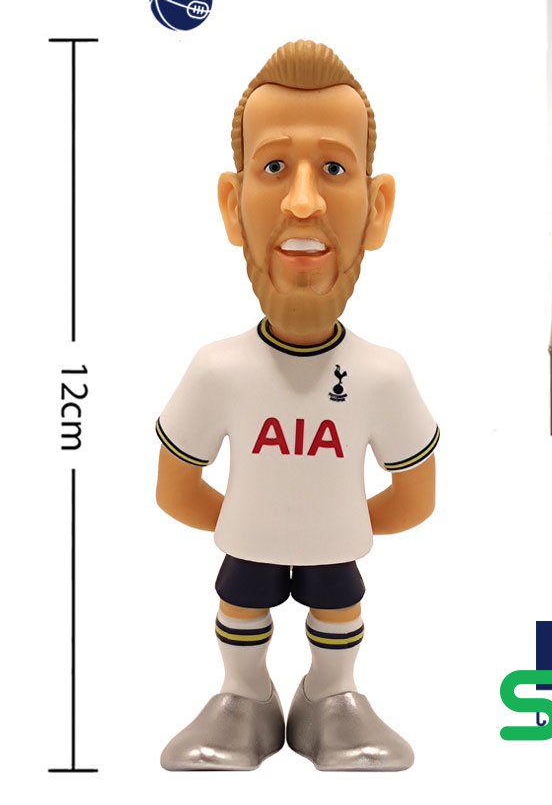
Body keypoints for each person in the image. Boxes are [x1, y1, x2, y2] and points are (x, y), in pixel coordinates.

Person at [156, 40, 438, 771]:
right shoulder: (217, 370)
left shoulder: (382, 376)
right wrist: (253, 520)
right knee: (240, 603)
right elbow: (174, 486)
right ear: (233, 205)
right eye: (274, 167)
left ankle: (330, 696)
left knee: (338, 604)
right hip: (248, 543)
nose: (304, 202)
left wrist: (335, 523)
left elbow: (416, 495)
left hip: (335, 547)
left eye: (334, 169)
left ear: (377, 209)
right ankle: (244, 696)